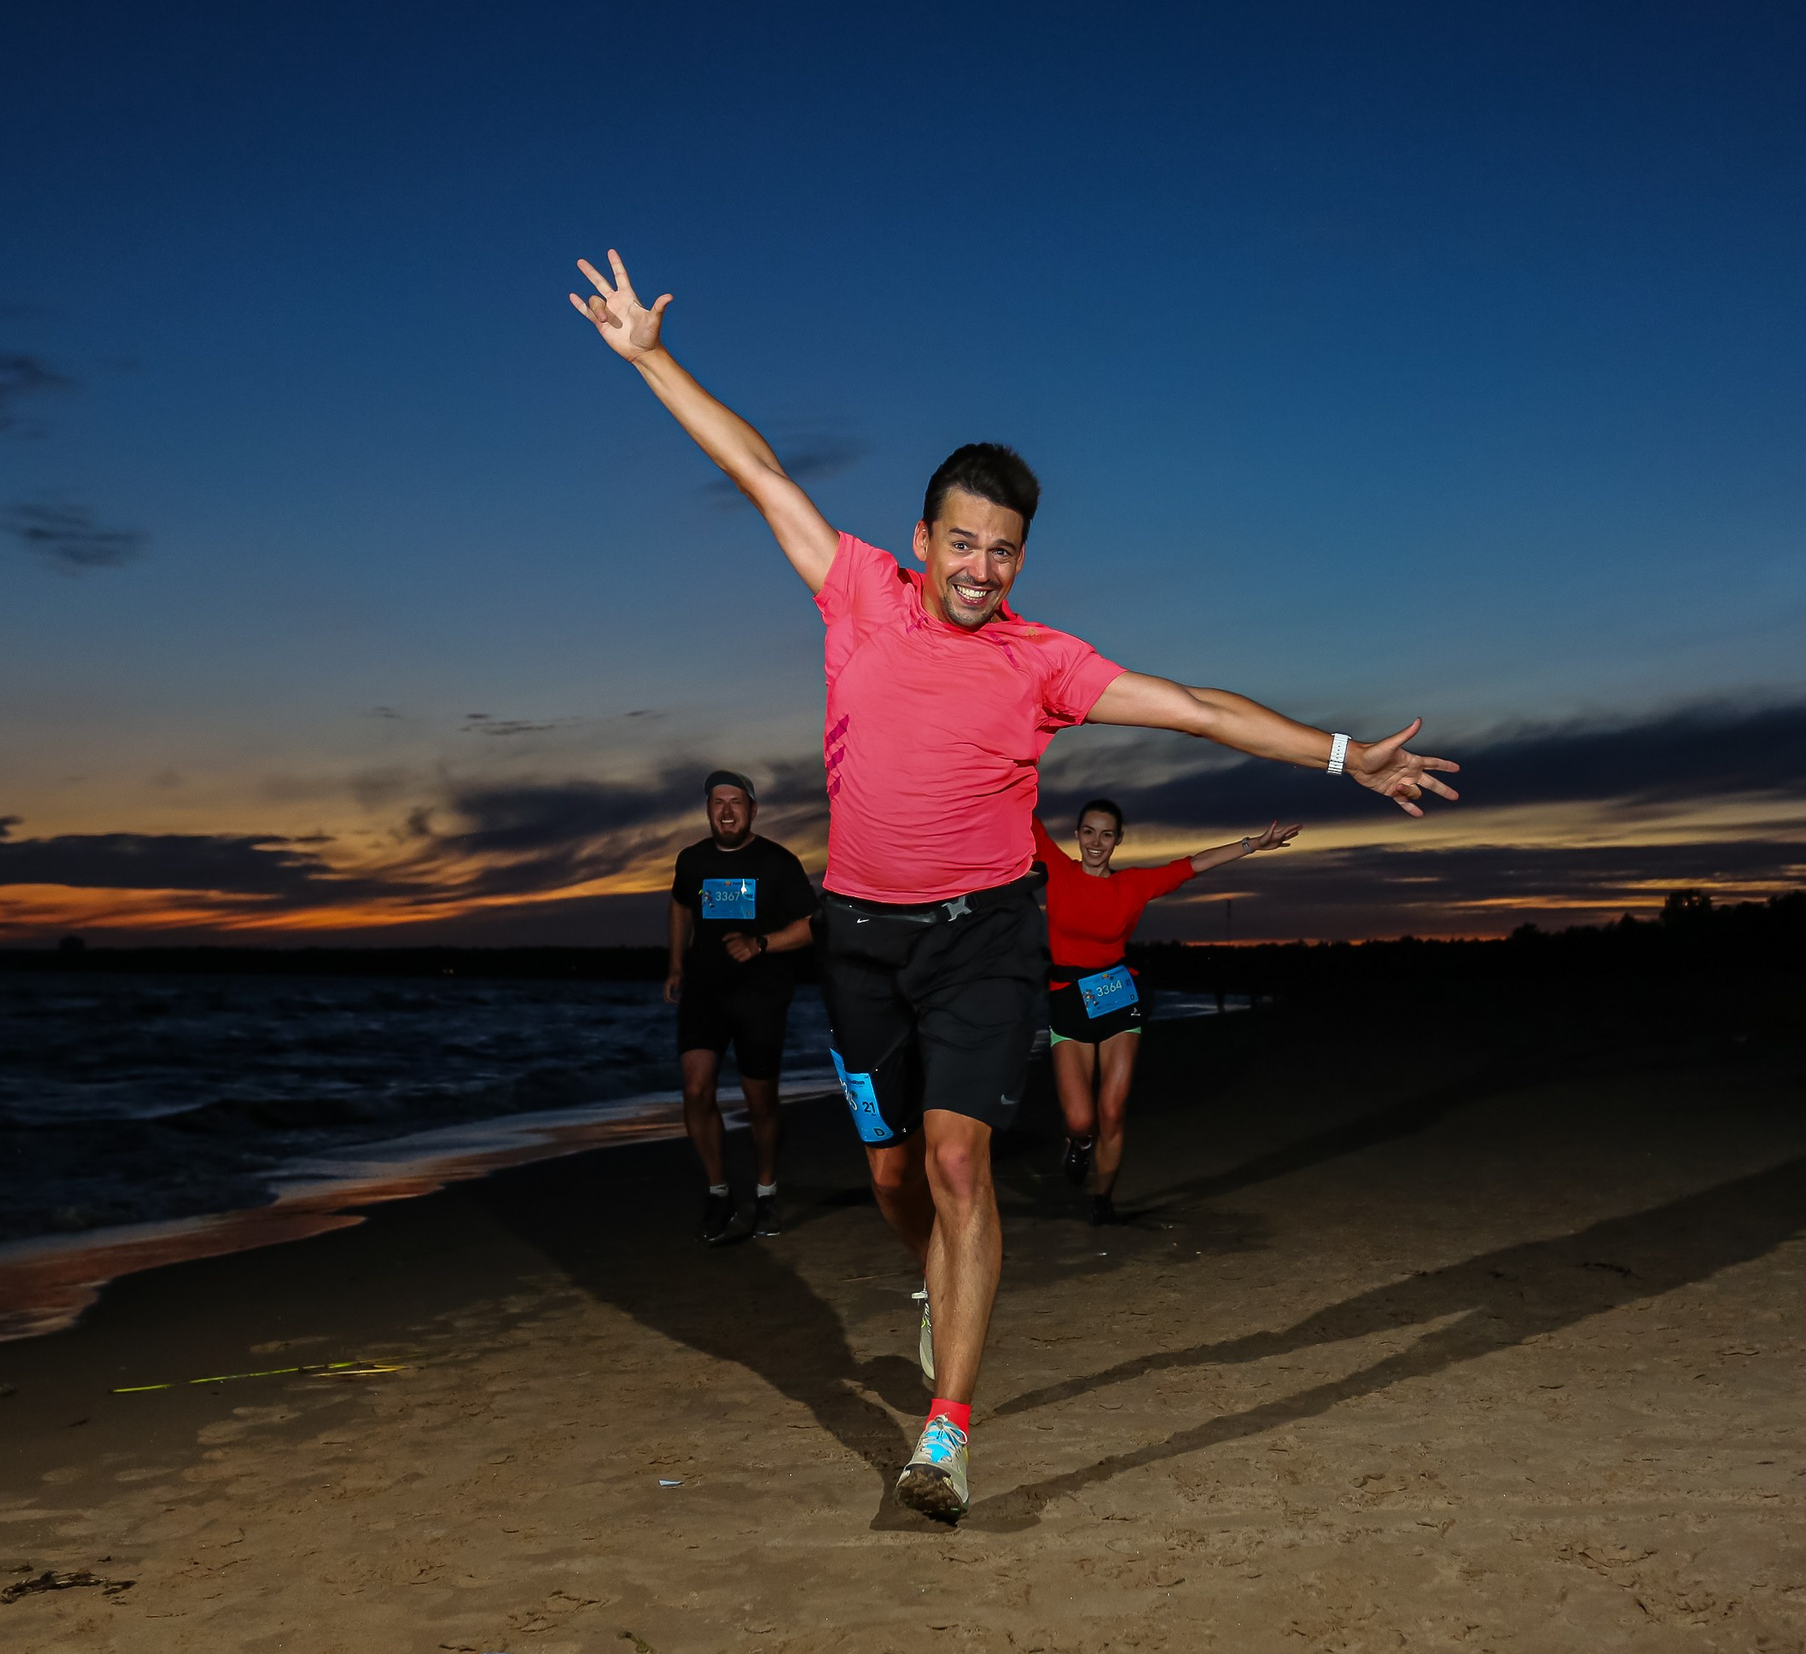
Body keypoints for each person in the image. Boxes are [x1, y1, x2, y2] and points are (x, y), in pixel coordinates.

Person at [570, 249, 1461, 1521]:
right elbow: (759, 470)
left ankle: (945, 1435)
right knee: (894, 1182)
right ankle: (936, 1288)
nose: (982, 569)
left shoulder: (1045, 663)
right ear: (922, 540)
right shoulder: (857, 594)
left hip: (985, 938)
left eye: (1004, 551)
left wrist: (1340, 754)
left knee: (956, 1166)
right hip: (860, 941)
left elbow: (1194, 707)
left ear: (1021, 561)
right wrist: (652, 358)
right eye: (963, 544)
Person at [1035, 800, 1299, 1224]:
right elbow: (1020, 812)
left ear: (1118, 840)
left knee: (1112, 1112)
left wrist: (1252, 844)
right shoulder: (1057, 869)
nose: (1096, 842)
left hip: (1117, 998)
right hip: (1067, 999)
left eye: (1106, 834)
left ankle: (1102, 1200)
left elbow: (1191, 865)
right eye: (1088, 831)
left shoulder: (1134, 885)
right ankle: (1081, 1143)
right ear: (1077, 834)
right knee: (1081, 1119)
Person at [666, 770, 818, 1244]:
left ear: (752, 810)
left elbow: (813, 925)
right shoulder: (692, 860)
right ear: (708, 810)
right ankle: (719, 1192)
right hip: (705, 992)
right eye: (718, 802)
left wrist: (760, 943)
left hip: (761, 995)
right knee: (696, 1089)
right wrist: (676, 963)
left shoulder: (778, 863)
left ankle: (766, 1191)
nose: (727, 811)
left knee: (760, 1103)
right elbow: (680, 905)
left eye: (736, 802)